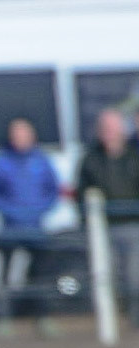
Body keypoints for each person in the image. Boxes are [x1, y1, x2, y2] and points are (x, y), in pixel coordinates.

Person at [0, 118, 60, 332]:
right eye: (16, 134)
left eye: (24, 133)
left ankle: (42, 318)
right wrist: (9, 211)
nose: (19, 138)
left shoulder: (41, 160)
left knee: (41, 274)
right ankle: (4, 318)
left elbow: (53, 189)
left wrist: (39, 210)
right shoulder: (1, 161)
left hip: (36, 228)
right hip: (10, 228)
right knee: (6, 275)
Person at [78, 108, 139, 327]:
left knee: (134, 276)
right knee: (105, 277)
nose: (109, 132)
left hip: (133, 225)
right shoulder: (91, 159)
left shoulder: (134, 156)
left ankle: (135, 318)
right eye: (105, 127)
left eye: (113, 127)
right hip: (102, 228)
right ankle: (109, 321)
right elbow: (81, 192)